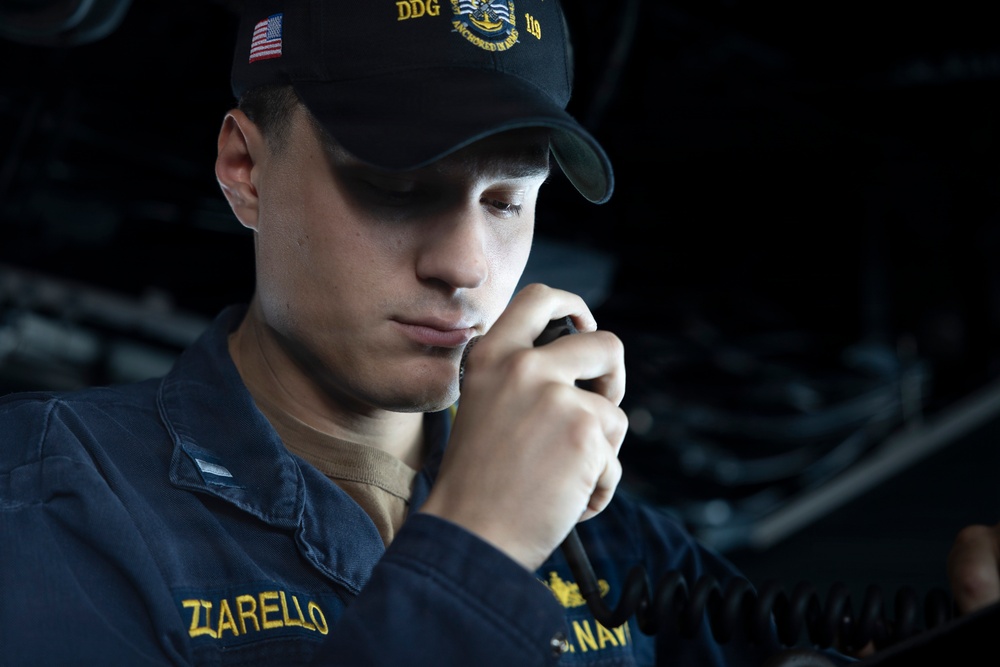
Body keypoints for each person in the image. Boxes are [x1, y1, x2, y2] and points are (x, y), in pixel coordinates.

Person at [0, 1, 996, 665]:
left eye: (508, 200)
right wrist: (476, 543)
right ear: (245, 168)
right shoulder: (49, 491)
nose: (466, 265)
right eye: (396, 188)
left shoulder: (609, 536)